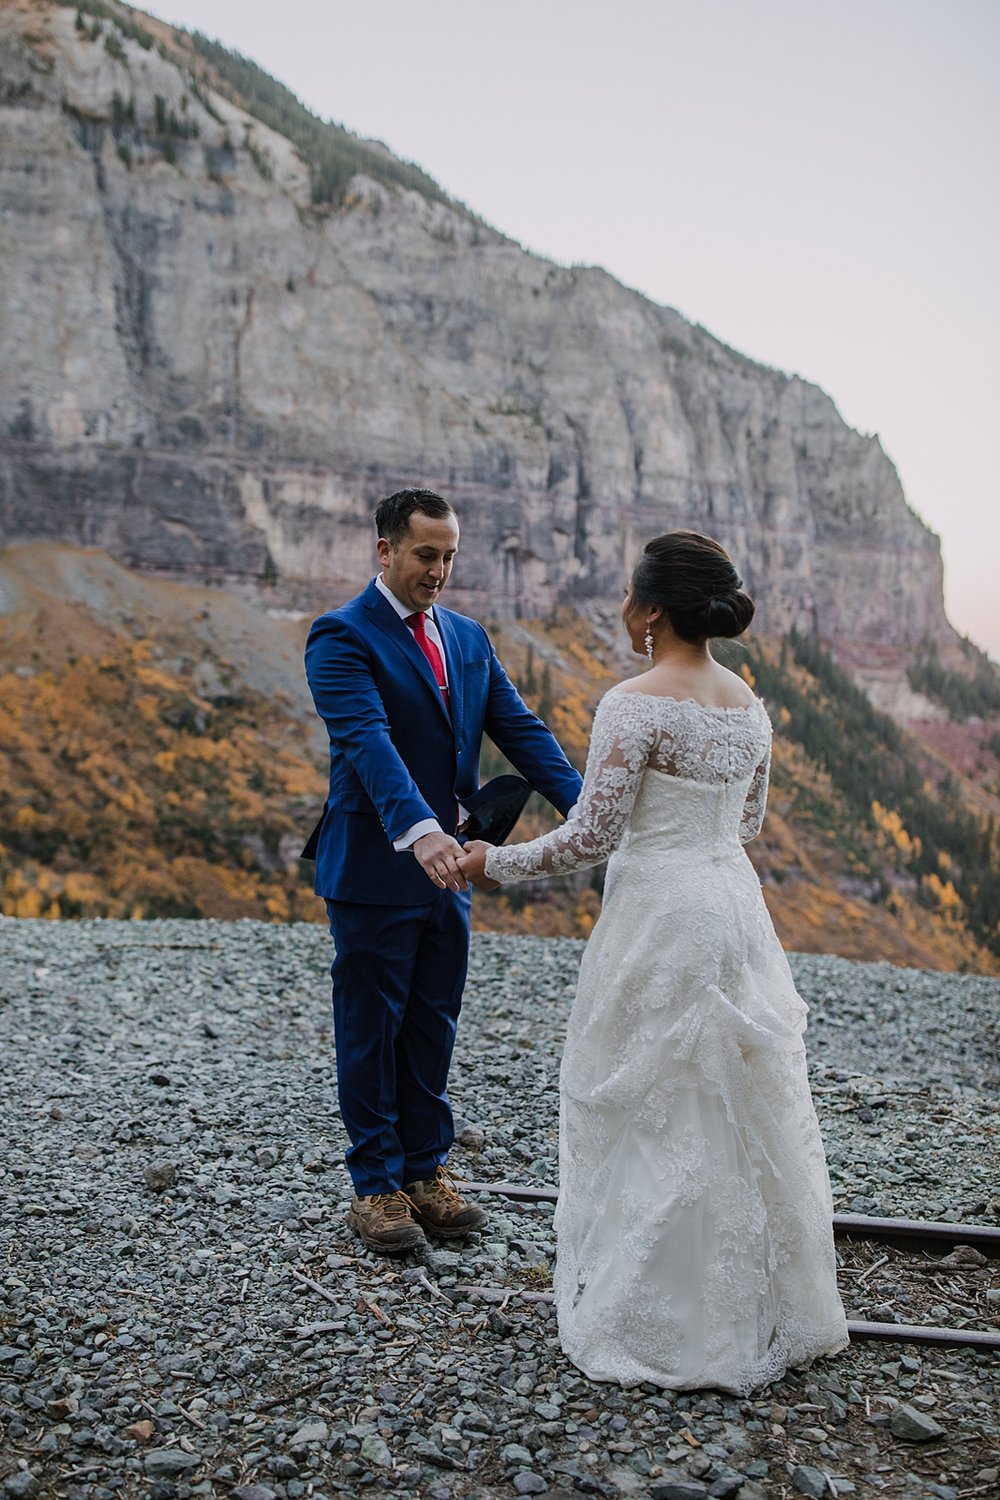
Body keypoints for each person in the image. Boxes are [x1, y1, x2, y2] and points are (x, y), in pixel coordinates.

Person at [460, 531, 849, 1393]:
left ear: (650, 611)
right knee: (736, 1099)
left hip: (660, 913)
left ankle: (666, 1316)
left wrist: (497, 862)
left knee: (654, 1097)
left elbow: (593, 836)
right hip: (733, 909)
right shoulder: (747, 703)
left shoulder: (632, 704)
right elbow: (747, 823)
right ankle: (763, 1305)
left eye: (629, 597)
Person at [304, 488, 583, 1255]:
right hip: (375, 864)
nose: (439, 570)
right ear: (386, 550)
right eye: (426, 555)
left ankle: (425, 1173)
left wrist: (594, 814)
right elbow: (368, 744)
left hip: (451, 869)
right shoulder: (340, 637)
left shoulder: (466, 637)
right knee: (371, 1026)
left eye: (450, 556)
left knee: (432, 1021)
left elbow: (521, 731)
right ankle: (376, 1189)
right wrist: (420, 830)